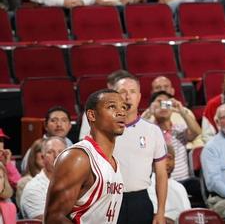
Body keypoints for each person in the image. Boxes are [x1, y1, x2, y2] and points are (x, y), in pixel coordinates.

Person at [44, 89, 127, 224]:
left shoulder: (114, 162)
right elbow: (53, 218)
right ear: (92, 115)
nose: (121, 112)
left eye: (123, 107)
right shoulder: (78, 157)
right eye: (112, 106)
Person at [113, 75, 168, 224]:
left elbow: (161, 174)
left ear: (139, 97)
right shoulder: (102, 131)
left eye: (132, 91)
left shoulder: (152, 131)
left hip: (140, 201)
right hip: (109, 200)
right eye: (122, 91)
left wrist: (161, 212)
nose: (127, 96)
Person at [147, 91, 200, 182]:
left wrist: (181, 111)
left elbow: (196, 132)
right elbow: (137, 141)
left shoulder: (179, 129)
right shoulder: (148, 131)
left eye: (166, 103)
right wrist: (148, 113)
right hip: (157, 181)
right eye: (159, 102)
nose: (163, 106)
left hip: (183, 181)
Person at [19, 136, 67, 219]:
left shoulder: (76, 181)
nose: (56, 156)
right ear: (42, 157)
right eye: (50, 152)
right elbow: (45, 221)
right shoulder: (33, 188)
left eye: (61, 151)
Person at [146, 144, 191, 223]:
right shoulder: (149, 183)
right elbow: (153, 215)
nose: (166, 162)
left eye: (169, 158)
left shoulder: (180, 187)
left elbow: (188, 215)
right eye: (162, 159)